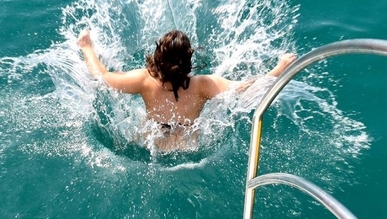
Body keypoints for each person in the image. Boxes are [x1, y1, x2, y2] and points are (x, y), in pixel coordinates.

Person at [78, 29, 295, 144]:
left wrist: (87, 48)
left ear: (158, 57)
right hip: (189, 143)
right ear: (188, 60)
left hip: (153, 142)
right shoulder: (204, 85)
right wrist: (280, 67)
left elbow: (101, 75)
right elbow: (247, 88)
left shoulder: (144, 80)